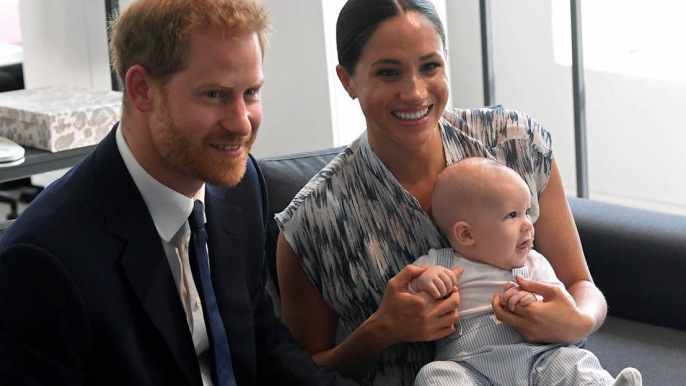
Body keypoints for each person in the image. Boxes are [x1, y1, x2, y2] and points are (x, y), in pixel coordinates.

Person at [0, 0, 359, 385]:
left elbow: (263, 344)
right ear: (142, 90)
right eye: (214, 95)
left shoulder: (239, 188)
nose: (241, 124)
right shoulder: (43, 261)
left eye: (251, 92)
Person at [275, 0, 609, 384]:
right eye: (388, 72)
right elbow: (298, 375)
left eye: (430, 66)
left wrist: (577, 321)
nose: (415, 93)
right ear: (347, 80)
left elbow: (581, 285)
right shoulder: (312, 222)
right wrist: (382, 329)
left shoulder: (515, 144)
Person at [408, 157, 641, 386]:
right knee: (433, 375)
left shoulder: (534, 263)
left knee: (573, 361)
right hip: (470, 367)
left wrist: (534, 301)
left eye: (527, 212)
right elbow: (406, 291)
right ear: (466, 234)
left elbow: (562, 304)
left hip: (539, 359)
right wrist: (423, 282)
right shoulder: (440, 263)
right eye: (512, 215)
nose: (528, 224)